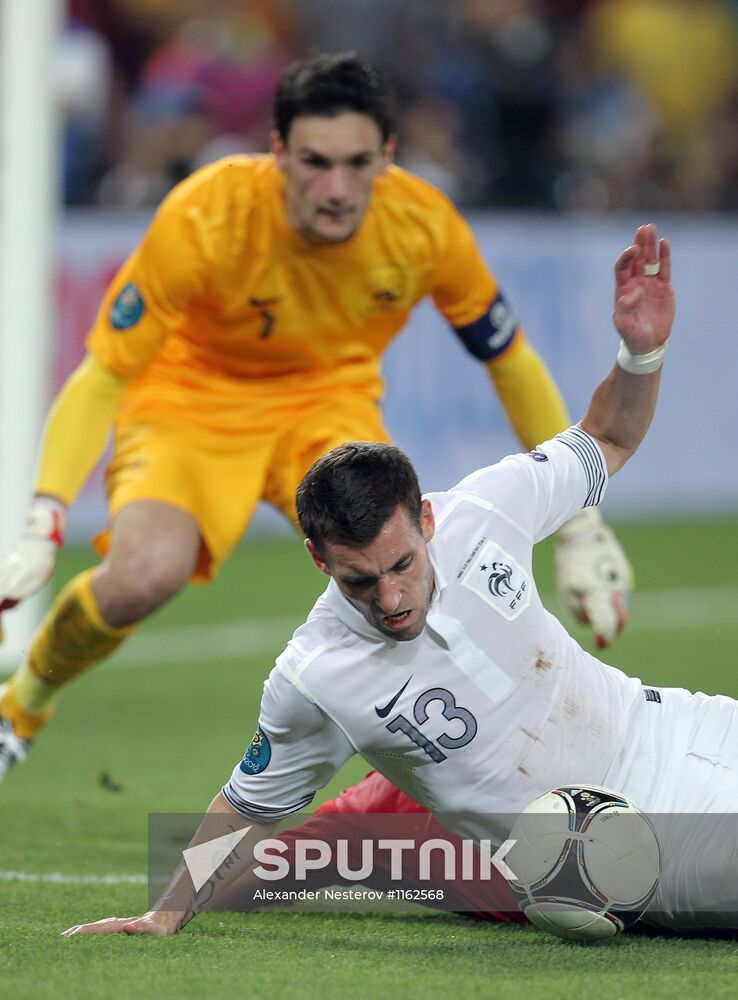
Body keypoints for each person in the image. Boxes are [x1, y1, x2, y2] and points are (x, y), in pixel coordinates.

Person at [66, 223, 738, 940]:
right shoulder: (317, 673)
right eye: (359, 582)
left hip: (677, 724)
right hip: (612, 844)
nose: (390, 601)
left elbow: (608, 437)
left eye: (401, 567)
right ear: (317, 560)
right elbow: (246, 807)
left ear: (425, 520)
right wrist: (164, 915)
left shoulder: (486, 509)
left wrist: (642, 354)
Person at [0, 52, 632, 781]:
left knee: (403, 572)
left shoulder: (423, 226)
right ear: (277, 152)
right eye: (315, 162)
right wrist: (46, 514)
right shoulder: (205, 214)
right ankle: (24, 703)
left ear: (388, 156)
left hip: (327, 404)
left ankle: (449, 786)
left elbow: (510, 359)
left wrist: (580, 523)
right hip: (193, 399)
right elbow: (105, 370)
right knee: (142, 575)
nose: (336, 189)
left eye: (358, 163)